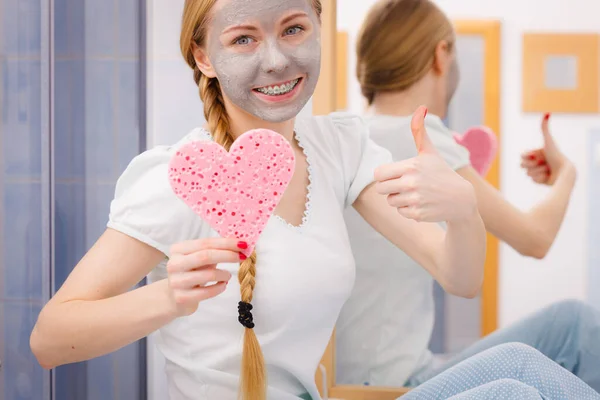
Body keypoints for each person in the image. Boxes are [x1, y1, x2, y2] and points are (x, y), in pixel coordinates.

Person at [28, 1, 597, 399]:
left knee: (520, 374)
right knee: (516, 382)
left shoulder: (339, 147)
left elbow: (460, 276)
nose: (276, 60)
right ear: (203, 56)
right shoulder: (177, 177)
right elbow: (50, 339)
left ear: (320, 29)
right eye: (243, 38)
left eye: (295, 28)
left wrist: (464, 210)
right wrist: (169, 300)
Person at [336, 0, 600, 395]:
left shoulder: (344, 137)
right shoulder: (422, 135)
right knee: (575, 325)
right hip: (396, 383)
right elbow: (535, 238)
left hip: (361, 374)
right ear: (441, 55)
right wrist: (568, 174)